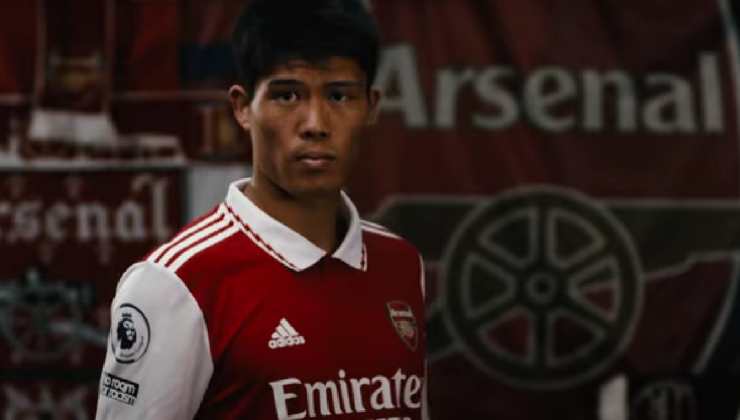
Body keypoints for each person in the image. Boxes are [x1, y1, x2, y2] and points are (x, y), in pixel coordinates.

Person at [95, 0, 428, 418]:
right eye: (287, 95)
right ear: (242, 108)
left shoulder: (400, 264)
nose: (315, 123)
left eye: (339, 96)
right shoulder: (178, 283)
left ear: (371, 107)